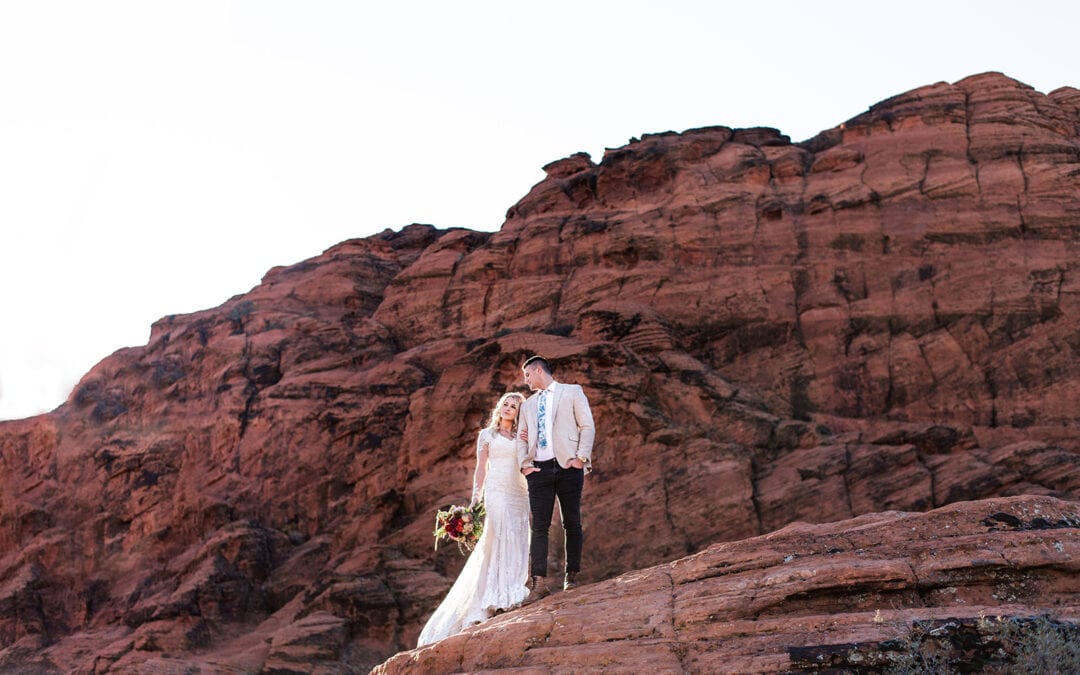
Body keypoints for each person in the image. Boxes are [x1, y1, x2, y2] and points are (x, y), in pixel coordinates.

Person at [416, 392, 531, 647]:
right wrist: (475, 498)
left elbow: (526, 463)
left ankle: (513, 591)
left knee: (520, 537)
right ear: (499, 408)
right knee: (499, 535)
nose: (509, 408)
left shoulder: (521, 436)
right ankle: (493, 598)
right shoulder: (487, 436)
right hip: (497, 491)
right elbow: (481, 468)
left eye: (514, 406)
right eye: (506, 404)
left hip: (519, 493)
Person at [516, 355, 595, 604]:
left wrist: (581, 458)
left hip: (568, 467)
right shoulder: (528, 405)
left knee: (571, 522)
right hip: (538, 471)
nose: (525, 380)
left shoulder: (572, 392)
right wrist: (525, 465)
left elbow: (587, 426)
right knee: (539, 526)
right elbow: (521, 438)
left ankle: (571, 577)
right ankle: (538, 584)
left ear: (538, 370)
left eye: (527, 375)